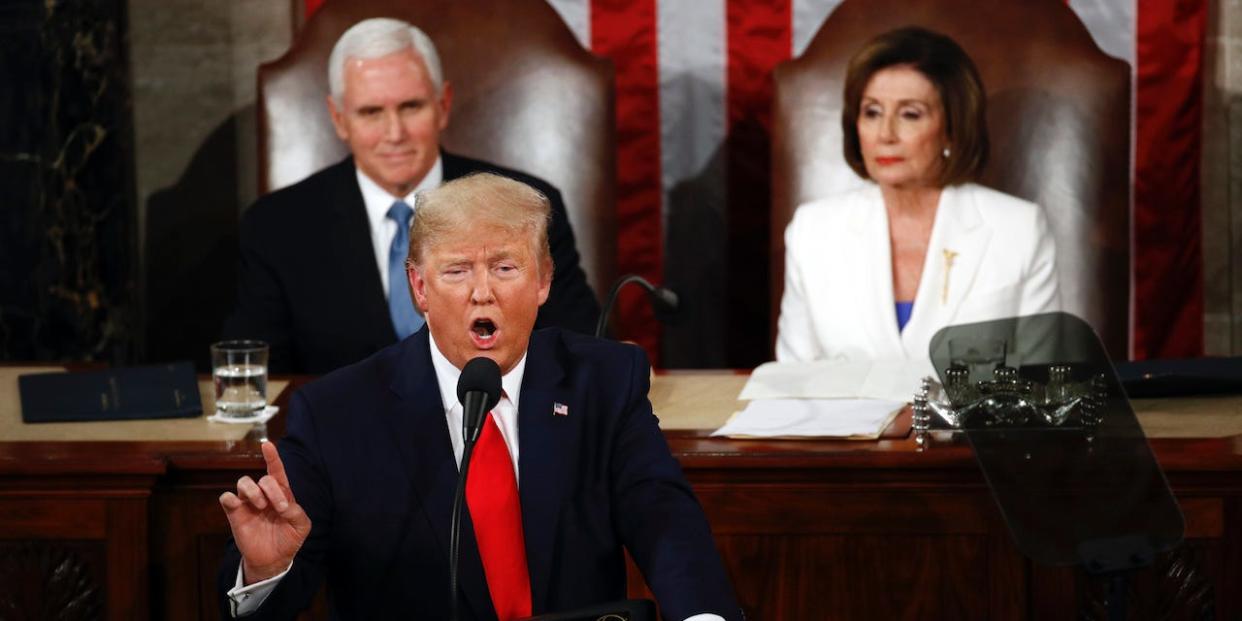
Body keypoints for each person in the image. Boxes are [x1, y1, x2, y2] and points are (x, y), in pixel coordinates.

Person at [216, 173, 741, 620]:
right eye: (457, 270)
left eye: (505, 267)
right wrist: (265, 571)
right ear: (419, 288)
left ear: (543, 281)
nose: (482, 291)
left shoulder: (603, 381)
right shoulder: (337, 413)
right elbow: (280, 595)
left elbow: (663, 517)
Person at [221, 18, 600, 374]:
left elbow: (581, 349)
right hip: (347, 438)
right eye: (371, 112)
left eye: (410, 106)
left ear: (443, 105)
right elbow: (259, 377)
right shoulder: (277, 225)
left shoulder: (524, 207)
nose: (394, 132)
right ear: (338, 119)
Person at [775, 26, 1060, 364]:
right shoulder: (813, 230)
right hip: (846, 420)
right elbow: (792, 385)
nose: (885, 134)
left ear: (952, 129)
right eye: (872, 112)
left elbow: (1039, 383)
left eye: (910, 114)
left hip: (972, 419)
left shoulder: (1018, 228)